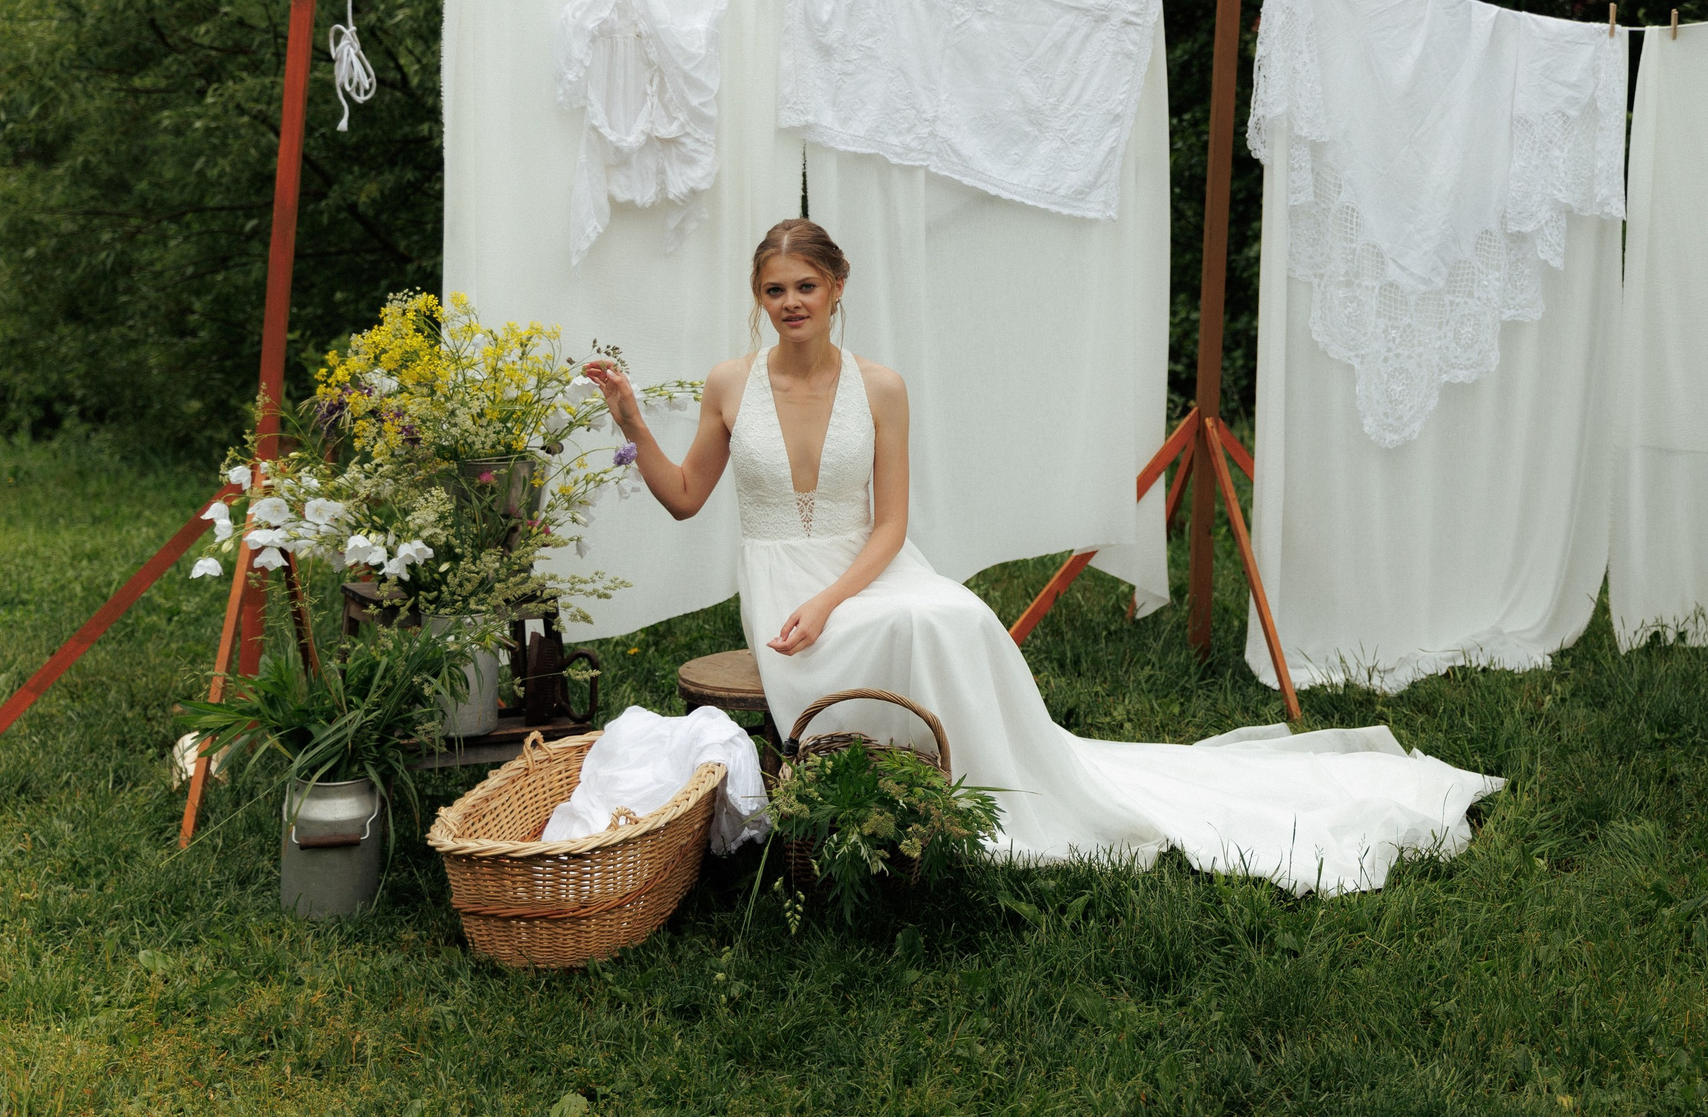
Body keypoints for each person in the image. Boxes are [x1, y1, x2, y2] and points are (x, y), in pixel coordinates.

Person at [583, 217, 1499, 893]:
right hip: (780, 580)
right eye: (774, 290)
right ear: (760, 298)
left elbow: (893, 525)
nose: (789, 304)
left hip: (865, 571)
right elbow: (684, 497)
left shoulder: (883, 387)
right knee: (922, 619)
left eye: (805, 288)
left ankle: (994, 790)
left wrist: (834, 601)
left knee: (949, 610)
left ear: (837, 289)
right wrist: (631, 419)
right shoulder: (728, 383)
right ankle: (938, 798)